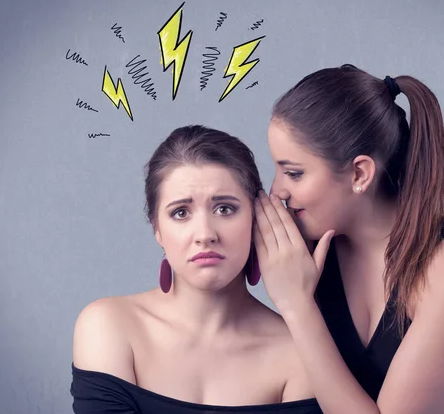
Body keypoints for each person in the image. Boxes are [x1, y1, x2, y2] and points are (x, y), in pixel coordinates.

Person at [253, 64, 444, 414]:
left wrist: (297, 306)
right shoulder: (308, 248)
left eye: (294, 173)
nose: (278, 190)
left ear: (359, 173)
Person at [70, 125, 322, 414]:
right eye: (181, 213)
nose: (205, 234)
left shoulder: (300, 352)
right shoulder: (108, 327)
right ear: (157, 230)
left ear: (258, 217)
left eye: (224, 209)